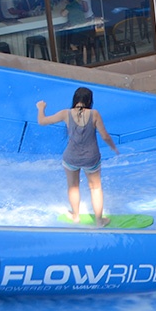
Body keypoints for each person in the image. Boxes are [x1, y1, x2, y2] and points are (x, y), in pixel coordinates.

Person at [36, 87, 119, 227]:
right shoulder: (94, 114)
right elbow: (104, 135)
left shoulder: (65, 113)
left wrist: (41, 108)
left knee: (73, 186)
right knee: (95, 188)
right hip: (91, 158)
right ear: (89, 101)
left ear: (75, 99)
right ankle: (99, 221)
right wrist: (113, 147)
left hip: (71, 157)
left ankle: (75, 216)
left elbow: (42, 121)